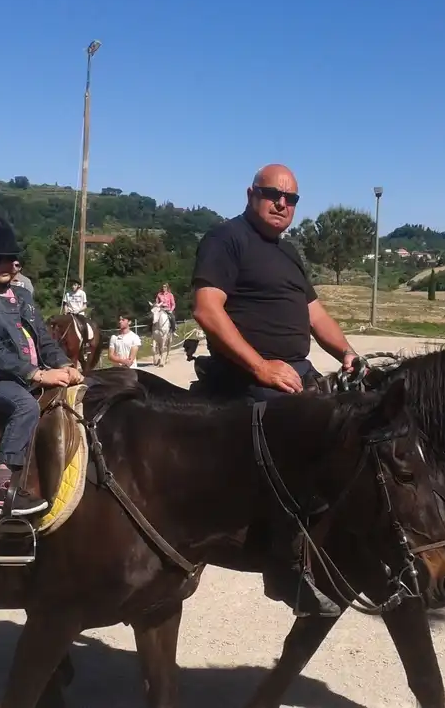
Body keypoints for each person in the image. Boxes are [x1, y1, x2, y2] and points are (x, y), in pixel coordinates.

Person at [190, 163, 359, 617]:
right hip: (244, 377)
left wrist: (347, 353)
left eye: (291, 199)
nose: (282, 203)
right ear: (251, 194)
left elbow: (315, 315)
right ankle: (283, 566)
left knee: (361, 423)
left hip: (295, 373)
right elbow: (208, 310)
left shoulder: (289, 254)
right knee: (305, 441)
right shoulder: (226, 240)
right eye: (272, 194)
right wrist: (262, 367)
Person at [0, 209, 84, 517]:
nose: (7, 265)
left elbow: (44, 339)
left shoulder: (22, 298)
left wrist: (66, 365)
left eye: (10, 259)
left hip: (27, 376)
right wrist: (37, 373)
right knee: (25, 406)